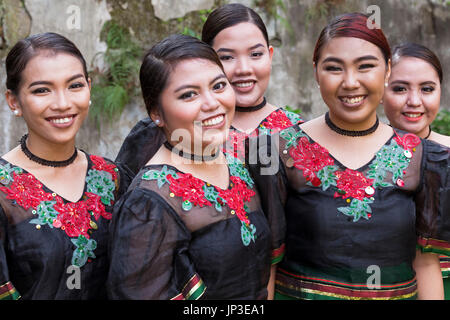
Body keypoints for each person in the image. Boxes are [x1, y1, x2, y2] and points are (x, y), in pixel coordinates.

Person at [247, 13, 450, 300]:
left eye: (365, 66)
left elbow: (426, 263)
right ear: (316, 71)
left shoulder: (424, 158)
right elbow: (266, 264)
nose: (351, 82)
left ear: (388, 69)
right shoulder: (275, 151)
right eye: (334, 68)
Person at [107, 34, 283, 299]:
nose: (212, 104)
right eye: (189, 95)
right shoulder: (148, 203)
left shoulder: (239, 166)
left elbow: (266, 271)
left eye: (219, 86)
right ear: (156, 113)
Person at [0, 32, 132, 300]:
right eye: (41, 90)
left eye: (74, 86)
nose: (63, 104)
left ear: (89, 88)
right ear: (14, 102)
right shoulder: (3, 191)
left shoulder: (112, 178)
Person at [114, 3, 303, 173]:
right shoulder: (160, 131)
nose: (244, 69)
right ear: (205, 60)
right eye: (227, 57)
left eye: (255, 54)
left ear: (270, 56)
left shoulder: (297, 131)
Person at [383, 42, 450, 298]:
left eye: (427, 89)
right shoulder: (359, 160)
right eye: (399, 89)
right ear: (380, 90)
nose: (414, 101)